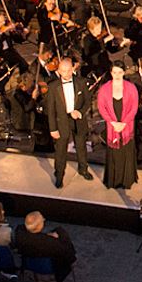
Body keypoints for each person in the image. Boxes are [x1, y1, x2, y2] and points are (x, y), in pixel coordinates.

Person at [44, 54, 94, 186]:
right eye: (62, 71)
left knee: (81, 147)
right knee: (61, 150)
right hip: (62, 121)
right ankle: (59, 174)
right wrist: (53, 129)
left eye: (67, 70)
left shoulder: (81, 82)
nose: (64, 73)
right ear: (58, 70)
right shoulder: (53, 86)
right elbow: (50, 110)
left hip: (78, 119)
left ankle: (83, 169)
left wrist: (80, 112)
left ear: (73, 69)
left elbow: (88, 101)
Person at [96, 64, 140, 191]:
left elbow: (134, 107)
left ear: (124, 73)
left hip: (127, 124)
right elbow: (101, 108)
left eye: (119, 72)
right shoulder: (104, 89)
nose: (117, 75)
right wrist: (113, 123)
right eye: (114, 72)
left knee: (126, 151)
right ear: (111, 73)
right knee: (114, 153)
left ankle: (127, 180)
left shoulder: (131, 88)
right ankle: (113, 180)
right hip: (112, 126)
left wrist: (124, 123)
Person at [12, 212, 76, 282]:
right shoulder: (52, 243)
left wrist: (47, 236)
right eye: (42, 219)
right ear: (39, 226)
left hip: (28, 264)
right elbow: (70, 255)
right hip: (49, 268)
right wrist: (60, 236)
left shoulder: (19, 234)